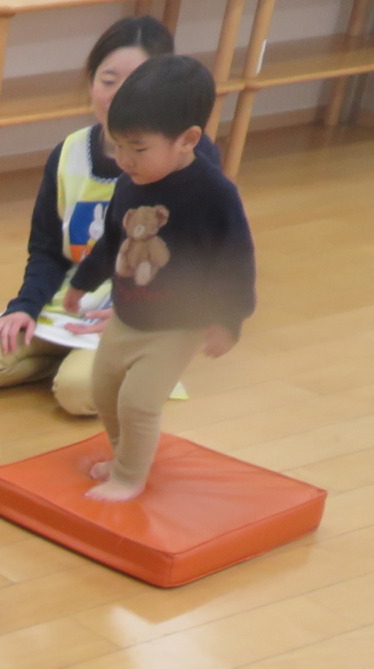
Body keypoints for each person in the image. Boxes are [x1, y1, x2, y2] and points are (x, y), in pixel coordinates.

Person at [0, 16, 218, 416]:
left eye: (136, 83)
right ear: (91, 82)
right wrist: (24, 307)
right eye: (108, 80)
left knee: (77, 391)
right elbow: (47, 249)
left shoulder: (187, 158)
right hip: (71, 304)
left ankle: (141, 366)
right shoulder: (68, 153)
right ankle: (73, 359)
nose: (119, 96)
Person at [65, 54, 256, 500]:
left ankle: (129, 478)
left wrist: (229, 319)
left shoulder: (213, 194)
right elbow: (114, 242)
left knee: (138, 402)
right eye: (118, 146)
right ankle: (124, 457)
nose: (124, 160)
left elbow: (236, 258)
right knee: (105, 390)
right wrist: (83, 281)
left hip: (179, 323)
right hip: (129, 314)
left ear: (187, 140)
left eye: (138, 148)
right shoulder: (130, 182)